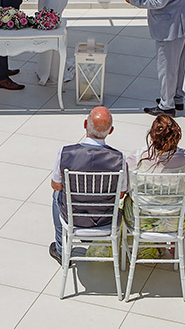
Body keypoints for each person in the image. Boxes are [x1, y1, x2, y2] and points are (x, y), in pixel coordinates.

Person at [48, 106, 127, 265]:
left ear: (85, 124)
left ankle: (62, 249)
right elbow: (120, 194)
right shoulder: (119, 158)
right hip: (105, 218)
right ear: (111, 131)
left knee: (56, 195)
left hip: (74, 215)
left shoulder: (65, 152)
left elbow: (56, 185)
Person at [123, 114, 185, 236]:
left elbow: (127, 188)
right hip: (177, 221)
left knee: (125, 201)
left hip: (140, 220)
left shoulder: (137, 157)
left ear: (151, 137)